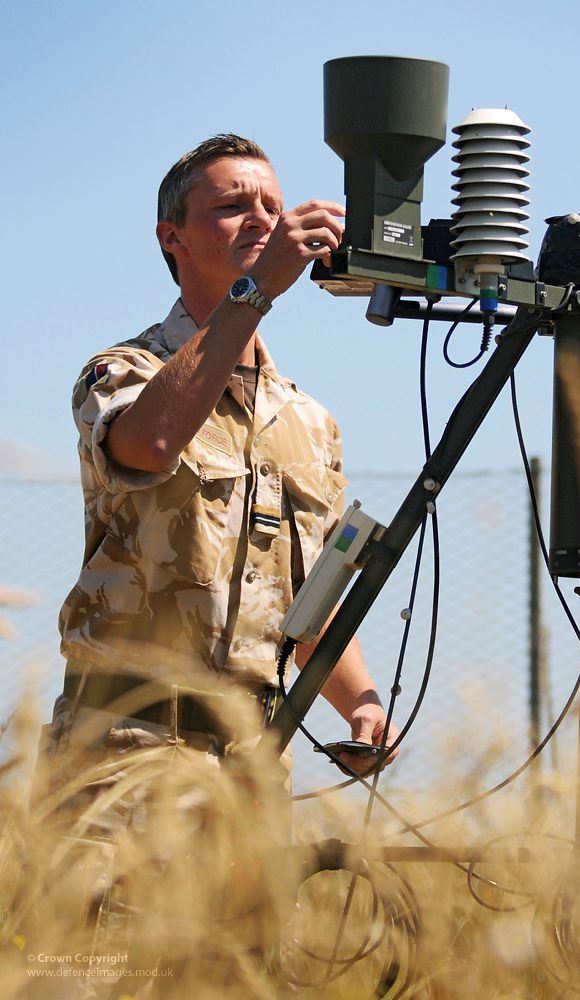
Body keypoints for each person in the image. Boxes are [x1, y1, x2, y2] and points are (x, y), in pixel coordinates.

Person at [46, 132, 399, 790]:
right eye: (232, 205)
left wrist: (362, 705)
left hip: (254, 764)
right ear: (171, 237)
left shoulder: (309, 422)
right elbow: (150, 443)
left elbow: (309, 605)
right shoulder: (124, 371)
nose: (263, 218)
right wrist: (257, 291)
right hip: (125, 754)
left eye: (273, 204)